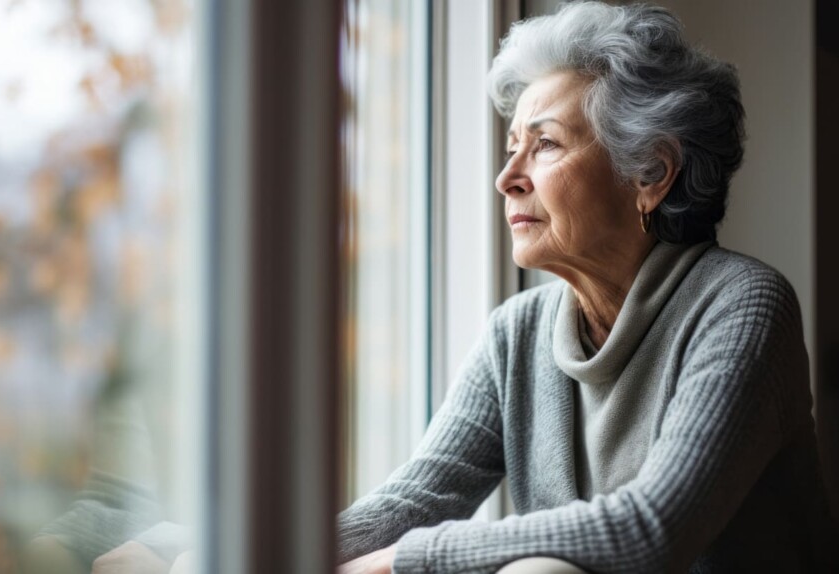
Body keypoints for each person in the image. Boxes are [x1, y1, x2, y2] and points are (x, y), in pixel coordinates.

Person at [336, 2, 837, 573]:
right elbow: (414, 501)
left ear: (649, 173)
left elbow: (650, 530)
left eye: (545, 144)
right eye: (510, 149)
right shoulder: (515, 333)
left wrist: (404, 561)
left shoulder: (743, 305)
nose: (507, 178)